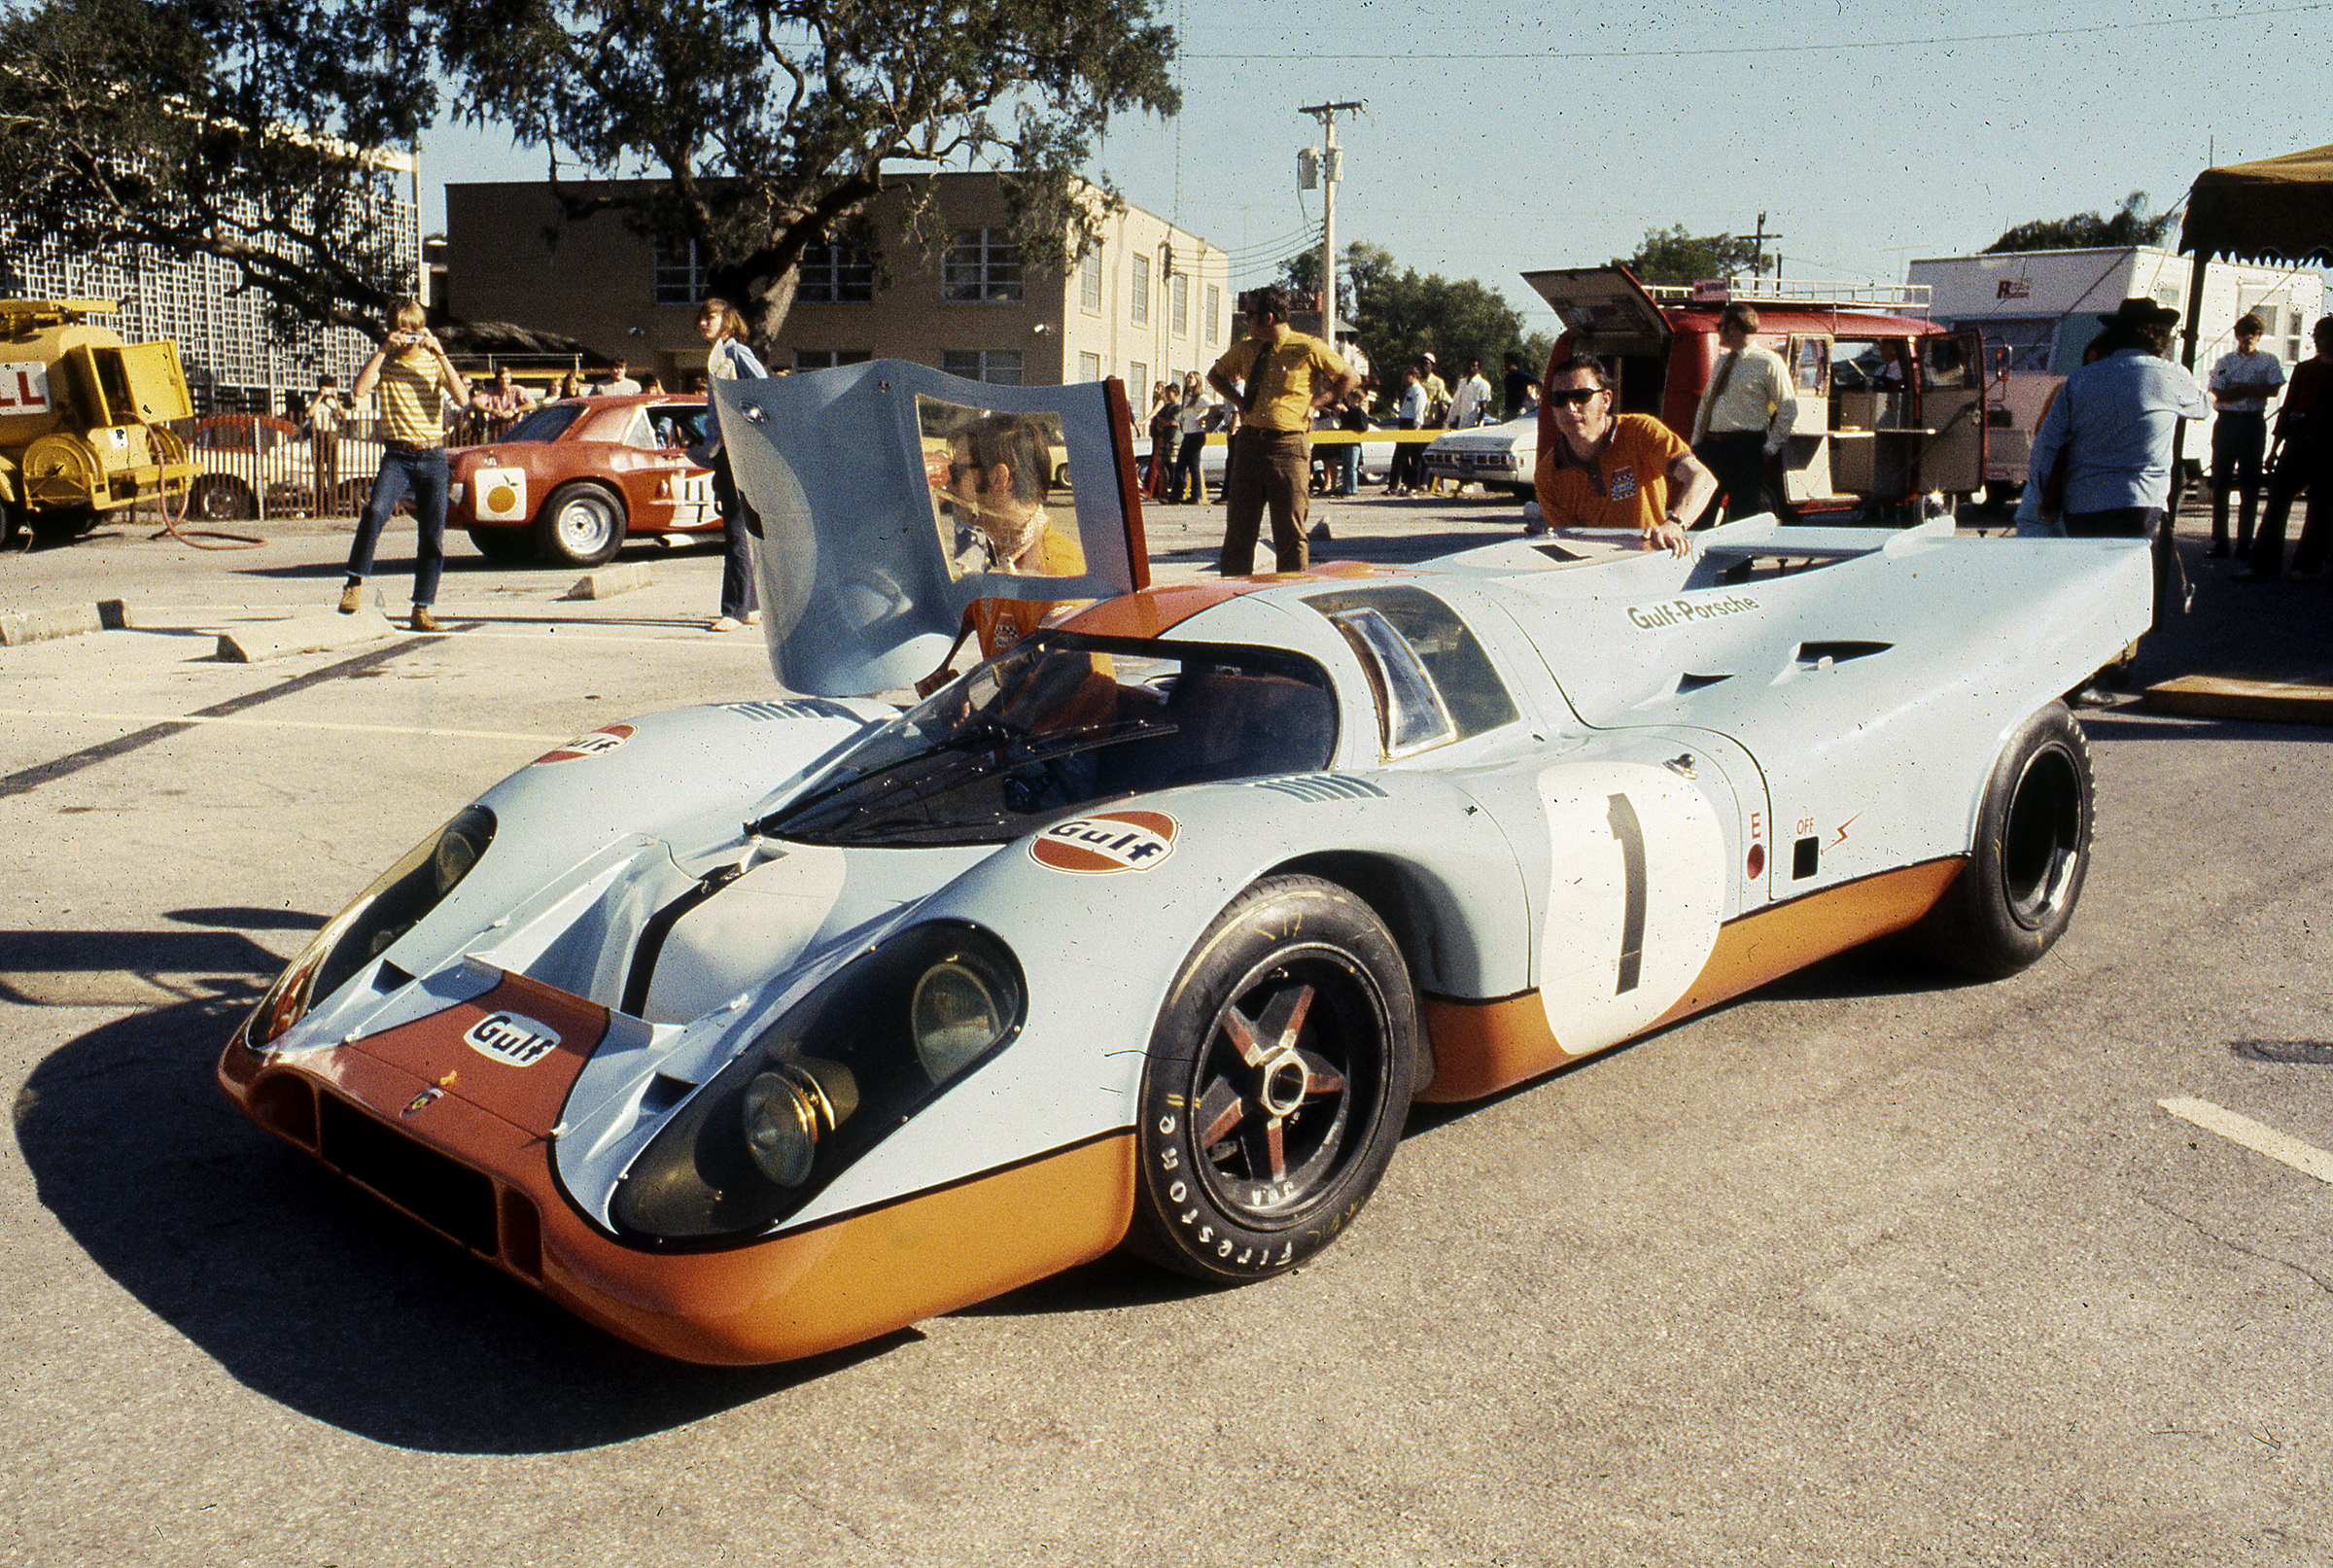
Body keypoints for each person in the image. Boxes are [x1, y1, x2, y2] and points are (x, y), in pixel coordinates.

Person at [2027, 297, 2208, 540]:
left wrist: (2044, 495)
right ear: (2160, 334)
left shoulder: (2079, 380)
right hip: (2140, 500)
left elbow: (2047, 444)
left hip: (2082, 503)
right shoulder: (2172, 375)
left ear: (2114, 334)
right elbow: (2203, 408)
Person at [337, 299, 469, 632]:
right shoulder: (385, 362)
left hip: (433, 456)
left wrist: (439, 352)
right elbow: (359, 390)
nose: (406, 336)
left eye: (412, 330)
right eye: (400, 330)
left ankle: (421, 608)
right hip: (397, 456)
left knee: (432, 534)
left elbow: (463, 399)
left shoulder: (432, 361)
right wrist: (383, 350)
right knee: (375, 511)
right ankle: (354, 583)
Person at [1204, 286, 1354, 574]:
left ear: (1268, 317)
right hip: (1248, 445)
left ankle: (1289, 593)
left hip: (1288, 448)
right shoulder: (1246, 349)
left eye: (1249, 314)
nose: (1245, 320)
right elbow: (1215, 375)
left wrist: (1316, 403)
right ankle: (1233, 599)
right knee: (1238, 532)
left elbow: (1349, 377)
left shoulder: (1308, 347)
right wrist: (1239, 401)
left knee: (1290, 533)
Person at [1529, 353, 1715, 557]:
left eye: (1582, 396)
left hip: (1652, 557)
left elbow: (1703, 479)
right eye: (1559, 399)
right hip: (1597, 567)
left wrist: (1674, 525)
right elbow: (1567, 543)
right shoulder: (1547, 475)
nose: (1570, 407)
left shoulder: (1641, 431)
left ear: (1606, 399)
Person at [2238, 314, 2333, 580]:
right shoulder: (2303, 369)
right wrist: (2275, 447)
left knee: (2320, 506)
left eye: (2322, 335)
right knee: (2278, 502)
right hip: (2298, 443)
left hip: (2326, 446)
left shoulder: (2274, 363)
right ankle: (2263, 564)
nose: (2316, 340)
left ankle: (2306, 566)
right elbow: (2288, 405)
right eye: (2316, 334)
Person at [696, 297, 769, 631]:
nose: (702, 324)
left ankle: (734, 610)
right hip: (726, 450)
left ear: (726, 321)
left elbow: (764, 392)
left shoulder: (736, 353)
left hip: (737, 450)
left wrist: (745, 426)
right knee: (741, 529)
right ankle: (750, 607)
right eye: (700, 319)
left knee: (735, 531)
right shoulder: (717, 356)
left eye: (708, 318)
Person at [1689, 301, 1798, 521]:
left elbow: (1788, 407)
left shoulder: (1768, 362)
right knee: (1700, 513)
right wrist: (1696, 442)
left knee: (1742, 516)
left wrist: (1770, 447)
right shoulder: (1723, 361)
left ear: (1733, 328)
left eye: (1720, 325)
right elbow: (1707, 404)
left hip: (1745, 448)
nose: (1718, 330)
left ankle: (1743, 557)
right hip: (1711, 447)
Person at [941, 410, 1084, 576]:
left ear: (998, 478)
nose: (949, 485)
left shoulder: (1056, 574)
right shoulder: (991, 548)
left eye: (957, 471)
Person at [2207, 312, 2286, 558]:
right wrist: (2251, 390)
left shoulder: (2268, 361)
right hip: (2227, 423)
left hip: (2252, 424)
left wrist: (2240, 387)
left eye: (2253, 333)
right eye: (2243, 333)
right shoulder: (2224, 362)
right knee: (2220, 482)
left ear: (2260, 336)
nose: (2247, 338)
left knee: (2249, 484)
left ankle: (2245, 543)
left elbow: (2272, 389)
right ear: (2236, 335)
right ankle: (2220, 542)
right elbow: (2218, 392)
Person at [304, 374, 346, 517]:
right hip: (318, 433)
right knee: (319, 471)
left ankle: (333, 508)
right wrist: (319, 397)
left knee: (332, 471)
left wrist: (335, 398)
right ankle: (320, 508)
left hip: (332, 433)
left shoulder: (334, 401)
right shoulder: (312, 399)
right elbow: (309, 413)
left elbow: (343, 415)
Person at [1385, 365, 1428, 496]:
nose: (1403, 378)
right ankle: (1394, 486)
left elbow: (1419, 410)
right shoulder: (1409, 391)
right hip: (1404, 424)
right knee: (1400, 456)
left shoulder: (1418, 391)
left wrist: (1417, 427)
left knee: (1414, 457)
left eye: (1406, 375)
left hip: (1412, 425)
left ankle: (1414, 485)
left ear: (1413, 376)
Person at [1169, 380, 1214, 505]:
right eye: (1187, 377)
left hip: (1196, 435)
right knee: (1181, 465)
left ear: (1197, 380)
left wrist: (1203, 418)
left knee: (1193, 466)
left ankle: (1196, 496)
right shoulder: (1187, 396)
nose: (1188, 379)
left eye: (1191, 377)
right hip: (1188, 434)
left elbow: (1214, 409)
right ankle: (1176, 495)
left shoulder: (1201, 397)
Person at [470, 366, 530, 441]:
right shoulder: (490, 392)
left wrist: (514, 411)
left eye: (507, 379)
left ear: (511, 380)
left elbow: (532, 404)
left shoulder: (517, 390)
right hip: (495, 429)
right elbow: (475, 402)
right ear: (497, 380)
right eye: (502, 379)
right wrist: (492, 411)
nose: (504, 381)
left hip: (514, 428)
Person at [1147, 383, 1180, 499]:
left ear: (1175, 393)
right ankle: (1164, 491)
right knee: (1159, 463)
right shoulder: (1167, 407)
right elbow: (1159, 418)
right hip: (1165, 437)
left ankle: (1177, 491)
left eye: (1169, 392)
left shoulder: (1178, 407)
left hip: (1174, 438)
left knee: (1173, 464)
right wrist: (1162, 422)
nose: (1166, 395)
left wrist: (1165, 422)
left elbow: (1174, 421)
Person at [1447, 358, 1493, 431]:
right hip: (1462, 423)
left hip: (1474, 424)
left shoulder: (1483, 384)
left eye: (1473, 365)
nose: (1470, 367)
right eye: (1469, 365)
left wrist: (1478, 423)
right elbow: (1457, 402)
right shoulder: (1462, 382)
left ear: (1478, 368)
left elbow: (1483, 406)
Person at [1501, 351, 1532, 420]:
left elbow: (1538, 381)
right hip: (1508, 412)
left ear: (1513, 363)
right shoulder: (1507, 378)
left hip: (1518, 412)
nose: (1505, 365)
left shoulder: (1522, 376)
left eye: (1507, 362)